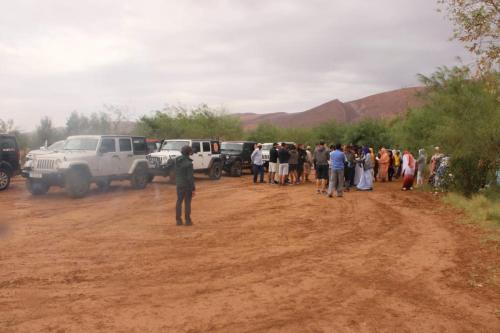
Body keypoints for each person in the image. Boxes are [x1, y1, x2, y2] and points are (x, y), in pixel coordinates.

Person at [175, 145, 196, 226]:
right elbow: (190, 178)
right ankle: (188, 220)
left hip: (179, 184)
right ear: (189, 153)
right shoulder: (189, 164)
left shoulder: (177, 160)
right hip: (187, 186)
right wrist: (193, 188)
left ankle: (178, 220)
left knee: (179, 202)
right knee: (187, 203)